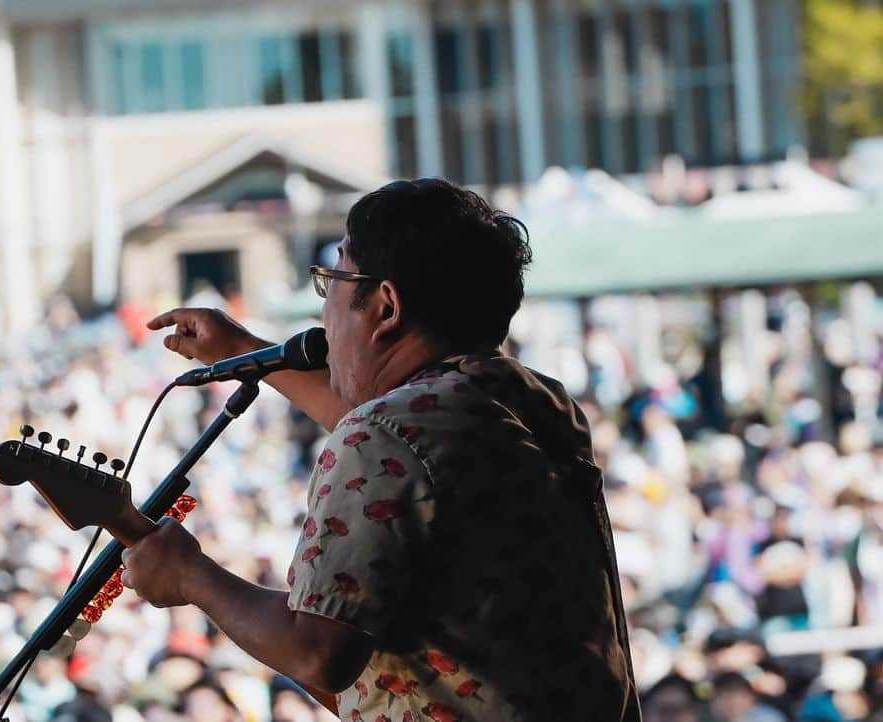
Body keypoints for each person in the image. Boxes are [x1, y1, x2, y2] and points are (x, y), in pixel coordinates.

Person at [120, 178, 640, 721]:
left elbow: (317, 653)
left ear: (385, 306)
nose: (324, 316)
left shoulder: (386, 433)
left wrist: (191, 576)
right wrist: (245, 350)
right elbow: (401, 446)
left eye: (334, 282)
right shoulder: (534, 402)